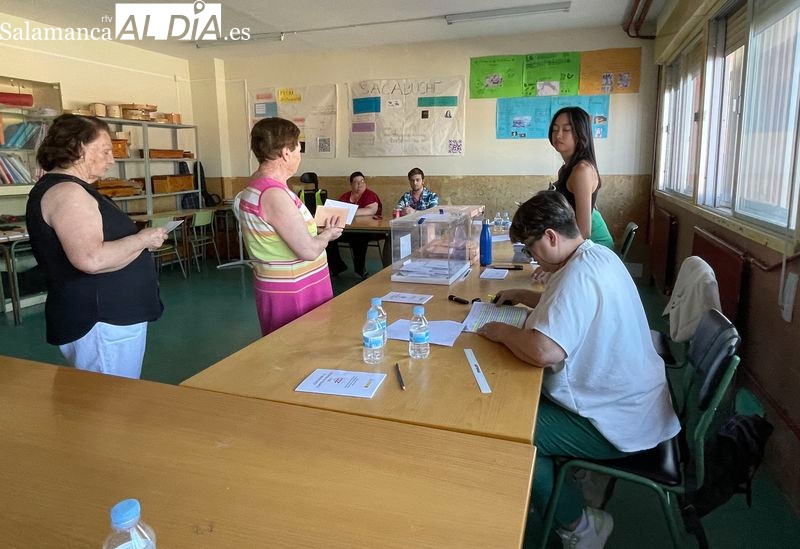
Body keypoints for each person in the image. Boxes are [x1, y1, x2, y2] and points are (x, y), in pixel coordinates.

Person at [478, 191, 679, 549]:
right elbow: (567, 307)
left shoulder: (579, 275)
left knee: (514, 431)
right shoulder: (593, 255)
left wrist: (501, 331)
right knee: (519, 402)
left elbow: (543, 350)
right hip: (636, 399)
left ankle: (582, 528)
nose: (531, 256)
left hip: (618, 419)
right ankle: (573, 485)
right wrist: (524, 297)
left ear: (551, 237)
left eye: (530, 247)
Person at [25, 114, 167, 379]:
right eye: (105, 151)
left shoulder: (73, 189)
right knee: (109, 404)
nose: (111, 159)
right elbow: (91, 259)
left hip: (110, 316)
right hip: (100, 322)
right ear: (79, 148)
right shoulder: (68, 193)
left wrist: (138, 245)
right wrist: (142, 240)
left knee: (114, 400)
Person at [238, 117, 343, 336]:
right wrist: (328, 235)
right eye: (298, 148)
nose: (299, 155)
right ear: (286, 152)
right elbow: (309, 250)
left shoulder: (259, 183)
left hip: (291, 285)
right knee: (298, 350)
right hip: (293, 293)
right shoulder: (273, 194)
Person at [548, 106, 614, 250]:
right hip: (576, 245)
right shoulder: (566, 168)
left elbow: (584, 232)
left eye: (566, 130)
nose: (558, 135)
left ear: (581, 133)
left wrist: (555, 261)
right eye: (554, 129)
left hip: (594, 249)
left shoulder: (582, 170)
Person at [327, 171, 382, 279]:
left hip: (368, 230)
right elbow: (338, 210)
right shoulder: (346, 196)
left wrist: (349, 212)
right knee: (329, 236)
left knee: (359, 238)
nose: (360, 184)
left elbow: (371, 210)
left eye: (362, 181)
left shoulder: (370, 195)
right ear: (351, 184)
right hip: (349, 230)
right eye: (356, 182)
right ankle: (338, 266)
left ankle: (360, 270)